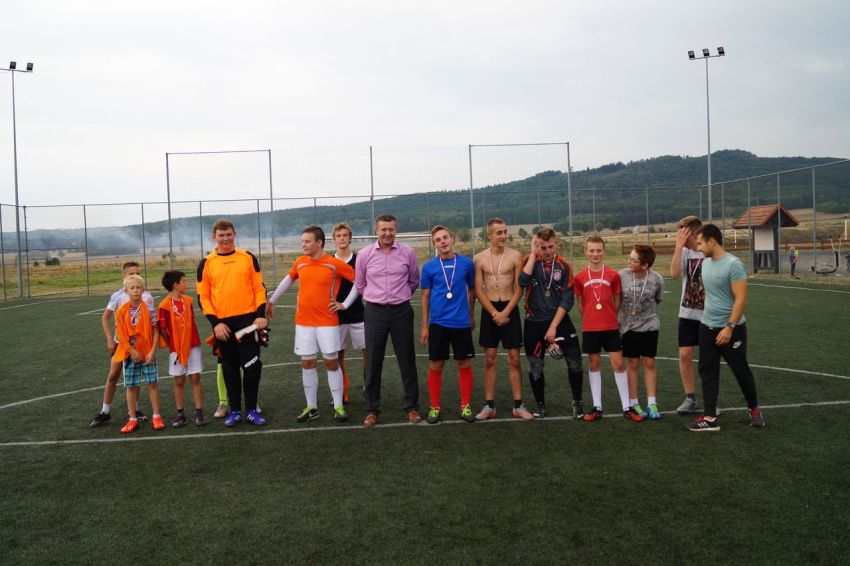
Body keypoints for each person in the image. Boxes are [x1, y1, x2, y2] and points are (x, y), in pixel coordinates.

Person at [267, 226, 358, 423]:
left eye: (307, 241)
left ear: (319, 243)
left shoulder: (334, 264)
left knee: (331, 362)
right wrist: (271, 301)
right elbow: (287, 281)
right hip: (303, 323)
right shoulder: (300, 262)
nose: (303, 245)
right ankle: (312, 407)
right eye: (302, 241)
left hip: (327, 322)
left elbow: (359, 281)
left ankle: (338, 406)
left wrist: (344, 304)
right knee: (307, 363)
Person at [688, 224, 765, 431]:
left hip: (731, 329)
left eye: (700, 243)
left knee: (740, 371)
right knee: (707, 372)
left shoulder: (733, 264)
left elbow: (741, 299)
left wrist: (729, 327)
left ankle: (754, 409)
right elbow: (710, 293)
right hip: (707, 327)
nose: (698, 248)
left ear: (712, 241)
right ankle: (710, 418)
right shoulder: (705, 263)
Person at [197, 219, 268, 427]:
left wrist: (260, 315)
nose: (225, 239)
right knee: (229, 369)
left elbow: (259, 288)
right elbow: (203, 297)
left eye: (229, 234)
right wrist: (215, 323)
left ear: (234, 235)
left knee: (252, 366)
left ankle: (252, 409)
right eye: (221, 235)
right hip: (223, 326)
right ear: (214, 237)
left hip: (248, 321)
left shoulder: (247, 257)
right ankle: (235, 410)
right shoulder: (206, 263)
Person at [355, 214, 421, 427]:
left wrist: (398, 297)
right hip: (375, 312)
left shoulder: (408, 252)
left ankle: (411, 407)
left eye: (391, 229)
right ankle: (372, 410)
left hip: (401, 311)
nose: (387, 233)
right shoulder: (364, 255)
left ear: (396, 230)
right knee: (373, 361)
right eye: (383, 229)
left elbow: (413, 281)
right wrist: (377, 298)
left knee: (407, 360)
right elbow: (360, 284)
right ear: (376, 231)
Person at [518, 228, 584, 419]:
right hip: (533, 322)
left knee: (575, 361)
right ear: (537, 246)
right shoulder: (529, 261)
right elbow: (522, 282)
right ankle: (540, 405)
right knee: (535, 365)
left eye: (550, 246)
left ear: (556, 244)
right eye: (543, 247)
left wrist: (553, 327)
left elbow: (567, 300)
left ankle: (577, 402)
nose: (547, 251)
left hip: (559, 321)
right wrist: (533, 254)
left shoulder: (564, 266)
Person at [574, 236, 642, 422]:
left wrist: (611, 315)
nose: (595, 254)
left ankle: (627, 407)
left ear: (603, 251)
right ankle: (597, 407)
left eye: (598, 250)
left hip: (610, 326)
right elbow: (580, 302)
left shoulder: (613, 275)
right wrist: (589, 318)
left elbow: (617, 299)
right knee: (594, 364)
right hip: (590, 327)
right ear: (586, 252)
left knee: (618, 364)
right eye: (592, 250)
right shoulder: (580, 277)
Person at [473, 218, 532, 420]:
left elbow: (519, 289)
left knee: (514, 358)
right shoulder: (479, 259)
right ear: (489, 235)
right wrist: (494, 313)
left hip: (510, 309)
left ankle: (518, 405)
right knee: (489, 359)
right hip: (489, 310)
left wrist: (505, 312)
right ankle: (489, 406)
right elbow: (478, 290)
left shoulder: (515, 256)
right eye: (499, 233)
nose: (504, 236)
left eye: (505, 232)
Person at [420, 225, 476, 424]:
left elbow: (473, 290)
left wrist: (471, 315)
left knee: (464, 363)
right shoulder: (429, 267)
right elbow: (425, 296)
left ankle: (465, 406)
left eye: (445, 237)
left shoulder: (467, 264)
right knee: (436, 364)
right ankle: (434, 407)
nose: (442, 242)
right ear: (434, 244)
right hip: (438, 323)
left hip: (461, 323)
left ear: (452, 238)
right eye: (438, 240)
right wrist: (424, 326)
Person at [90, 261, 154, 427]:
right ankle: (105, 411)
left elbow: (151, 323)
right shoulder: (117, 296)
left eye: (138, 273)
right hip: (122, 344)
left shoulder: (146, 296)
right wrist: (110, 339)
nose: (135, 276)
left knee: (135, 378)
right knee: (113, 375)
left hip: (139, 345)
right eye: (131, 273)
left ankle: (135, 411)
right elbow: (105, 317)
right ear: (123, 276)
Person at [618, 245, 665, 420]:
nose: (628, 261)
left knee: (649, 362)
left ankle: (652, 403)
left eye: (632, 260)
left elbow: (657, 299)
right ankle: (634, 402)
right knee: (633, 363)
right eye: (629, 258)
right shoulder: (621, 276)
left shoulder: (657, 279)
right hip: (629, 327)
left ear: (645, 265)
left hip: (650, 326)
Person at [114, 274, 164, 433]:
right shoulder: (121, 311)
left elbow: (156, 332)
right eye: (132, 288)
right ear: (126, 291)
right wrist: (131, 350)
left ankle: (157, 417)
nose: (135, 290)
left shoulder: (150, 309)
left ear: (143, 290)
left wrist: (153, 351)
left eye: (138, 287)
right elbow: (120, 334)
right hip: (130, 353)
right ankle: (132, 419)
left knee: (152, 384)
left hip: (147, 351)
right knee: (131, 387)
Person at [157, 270, 205, 427]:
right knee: (179, 380)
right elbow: (162, 329)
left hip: (193, 344)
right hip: (176, 349)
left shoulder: (188, 301)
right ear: (175, 285)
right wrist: (172, 344)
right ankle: (180, 413)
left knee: (195, 377)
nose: (186, 284)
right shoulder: (164, 305)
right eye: (184, 281)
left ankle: (199, 411)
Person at [670, 215, 705, 415]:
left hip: (708, 314)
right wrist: (678, 246)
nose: (679, 236)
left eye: (681, 233)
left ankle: (710, 399)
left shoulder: (708, 250)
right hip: (687, 313)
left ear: (690, 233)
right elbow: (675, 274)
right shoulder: (684, 251)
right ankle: (690, 398)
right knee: (685, 355)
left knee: (708, 359)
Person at [332, 222, 366, 404]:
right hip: (336, 316)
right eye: (339, 236)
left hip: (358, 314)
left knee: (367, 352)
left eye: (345, 235)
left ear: (350, 238)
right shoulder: (329, 261)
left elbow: (361, 284)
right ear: (334, 239)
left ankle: (368, 387)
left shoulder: (359, 259)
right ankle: (342, 390)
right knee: (338, 355)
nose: (342, 238)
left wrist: (345, 304)